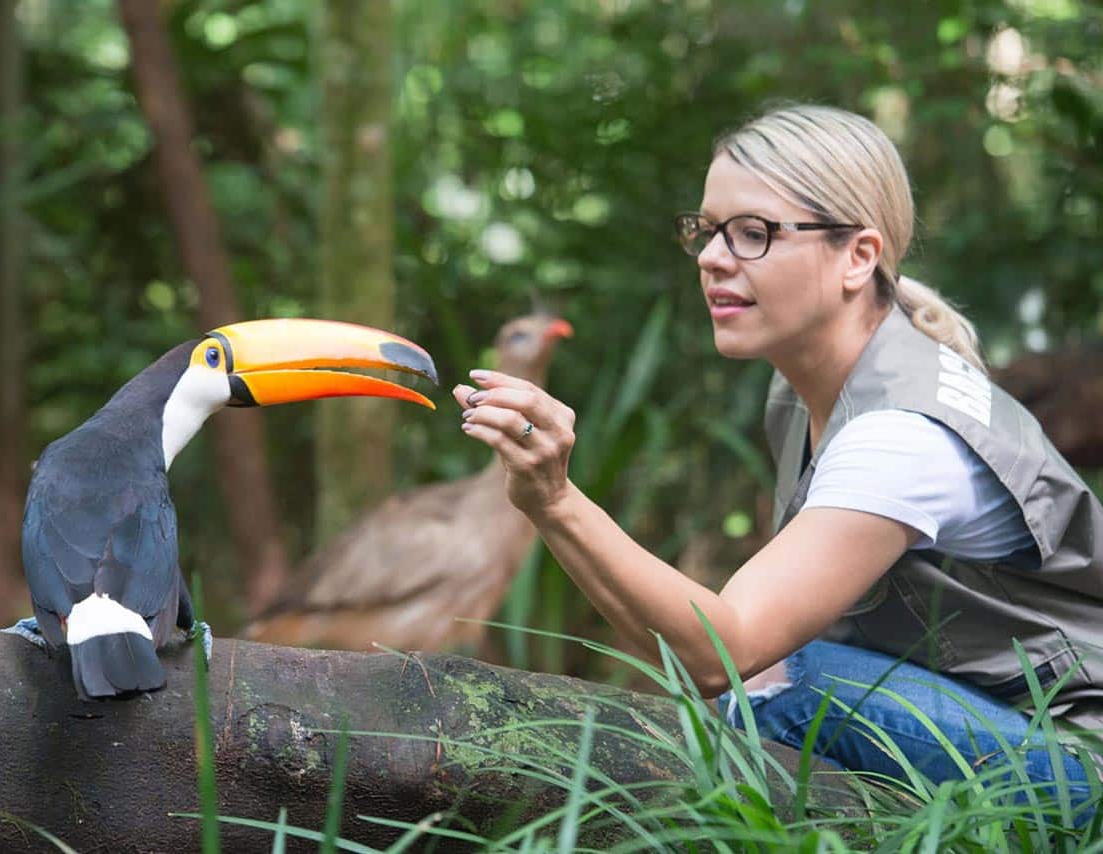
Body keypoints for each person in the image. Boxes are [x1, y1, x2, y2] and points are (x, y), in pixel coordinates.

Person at [452, 103, 1103, 801]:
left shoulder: (901, 438)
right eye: (706, 232)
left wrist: (555, 500)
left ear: (859, 256)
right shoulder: (806, 388)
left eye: (752, 234)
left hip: (1076, 755)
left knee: (783, 685)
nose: (710, 257)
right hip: (984, 711)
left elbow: (722, 654)